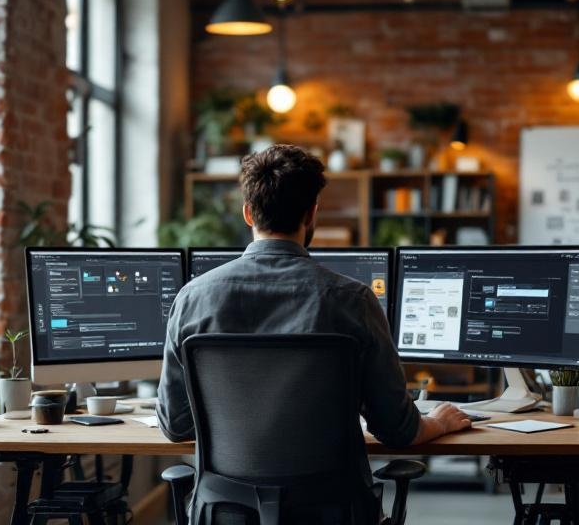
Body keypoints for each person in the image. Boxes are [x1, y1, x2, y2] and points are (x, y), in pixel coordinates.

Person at [157, 144, 471, 517]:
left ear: (247, 213)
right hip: (332, 510)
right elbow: (397, 430)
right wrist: (438, 421)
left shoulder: (193, 299)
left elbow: (175, 426)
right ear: (311, 214)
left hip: (227, 511)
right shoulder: (353, 300)